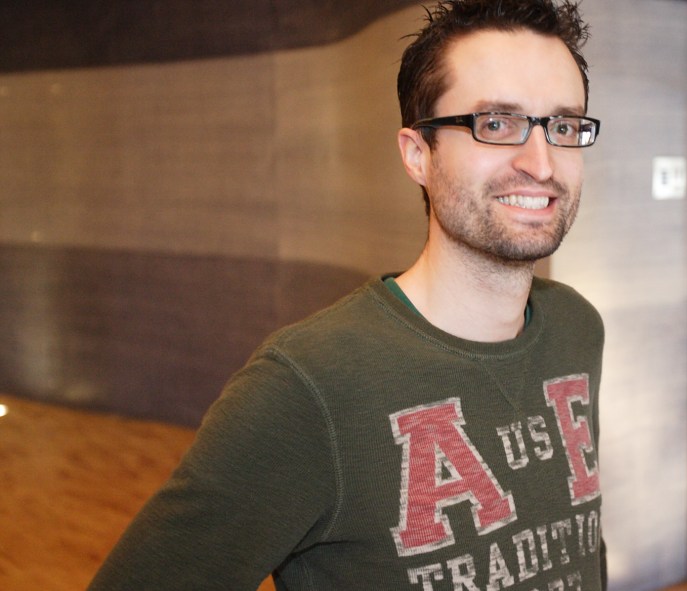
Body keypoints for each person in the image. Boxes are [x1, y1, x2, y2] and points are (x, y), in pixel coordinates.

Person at [88, 0, 606, 589]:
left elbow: (578, 543)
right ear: (418, 155)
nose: (541, 163)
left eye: (564, 127)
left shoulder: (577, 327)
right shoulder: (310, 386)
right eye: (496, 125)